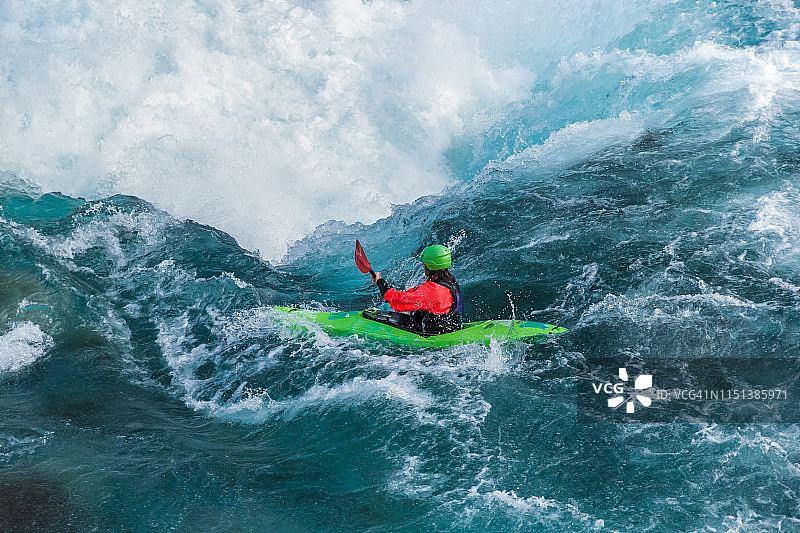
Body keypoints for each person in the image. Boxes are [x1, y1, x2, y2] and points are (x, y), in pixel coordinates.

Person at [370, 244, 464, 335]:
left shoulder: (432, 291)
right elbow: (415, 294)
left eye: (424, 263)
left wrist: (380, 282)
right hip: (450, 328)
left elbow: (397, 300)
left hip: (432, 334)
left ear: (429, 266)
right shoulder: (449, 281)